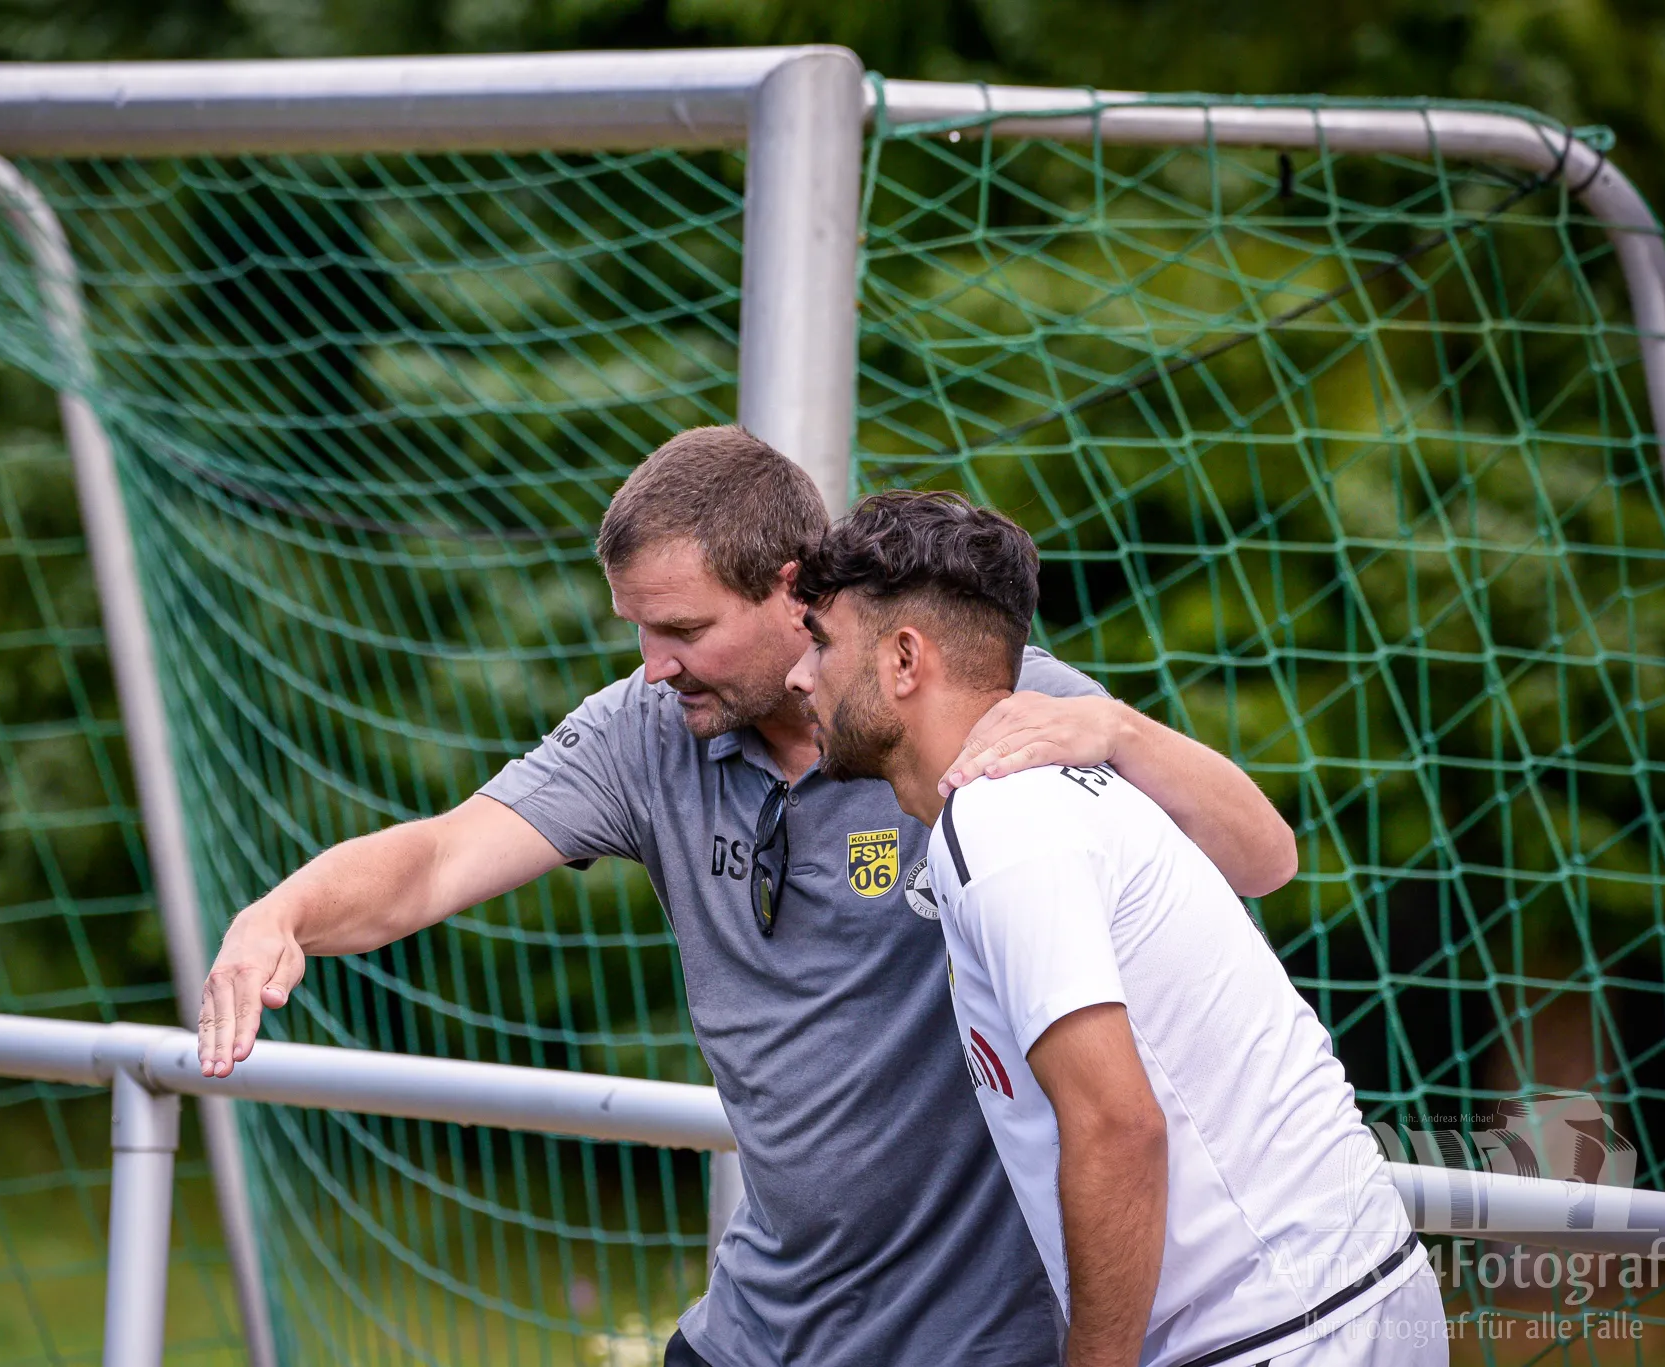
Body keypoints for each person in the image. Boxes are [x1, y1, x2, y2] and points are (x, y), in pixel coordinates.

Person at [197, 427, 1298, 1367]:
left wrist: (1119, 729)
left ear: (790, 589)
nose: (653, 663)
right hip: (753, 1332)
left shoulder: (979, 701)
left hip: (980, 1345)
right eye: (638, 628)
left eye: (683, 630)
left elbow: (1261, 858)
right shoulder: (641, 730)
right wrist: (279, 913)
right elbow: (438, 857)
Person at [785, 488, 1446, 1367]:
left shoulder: (999, 820)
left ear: (905, 658)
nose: (800, 676)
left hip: (1275, 1331)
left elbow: (1118, 1127)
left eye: (822, 643)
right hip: (1349, 1296)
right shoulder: (1056, 787)